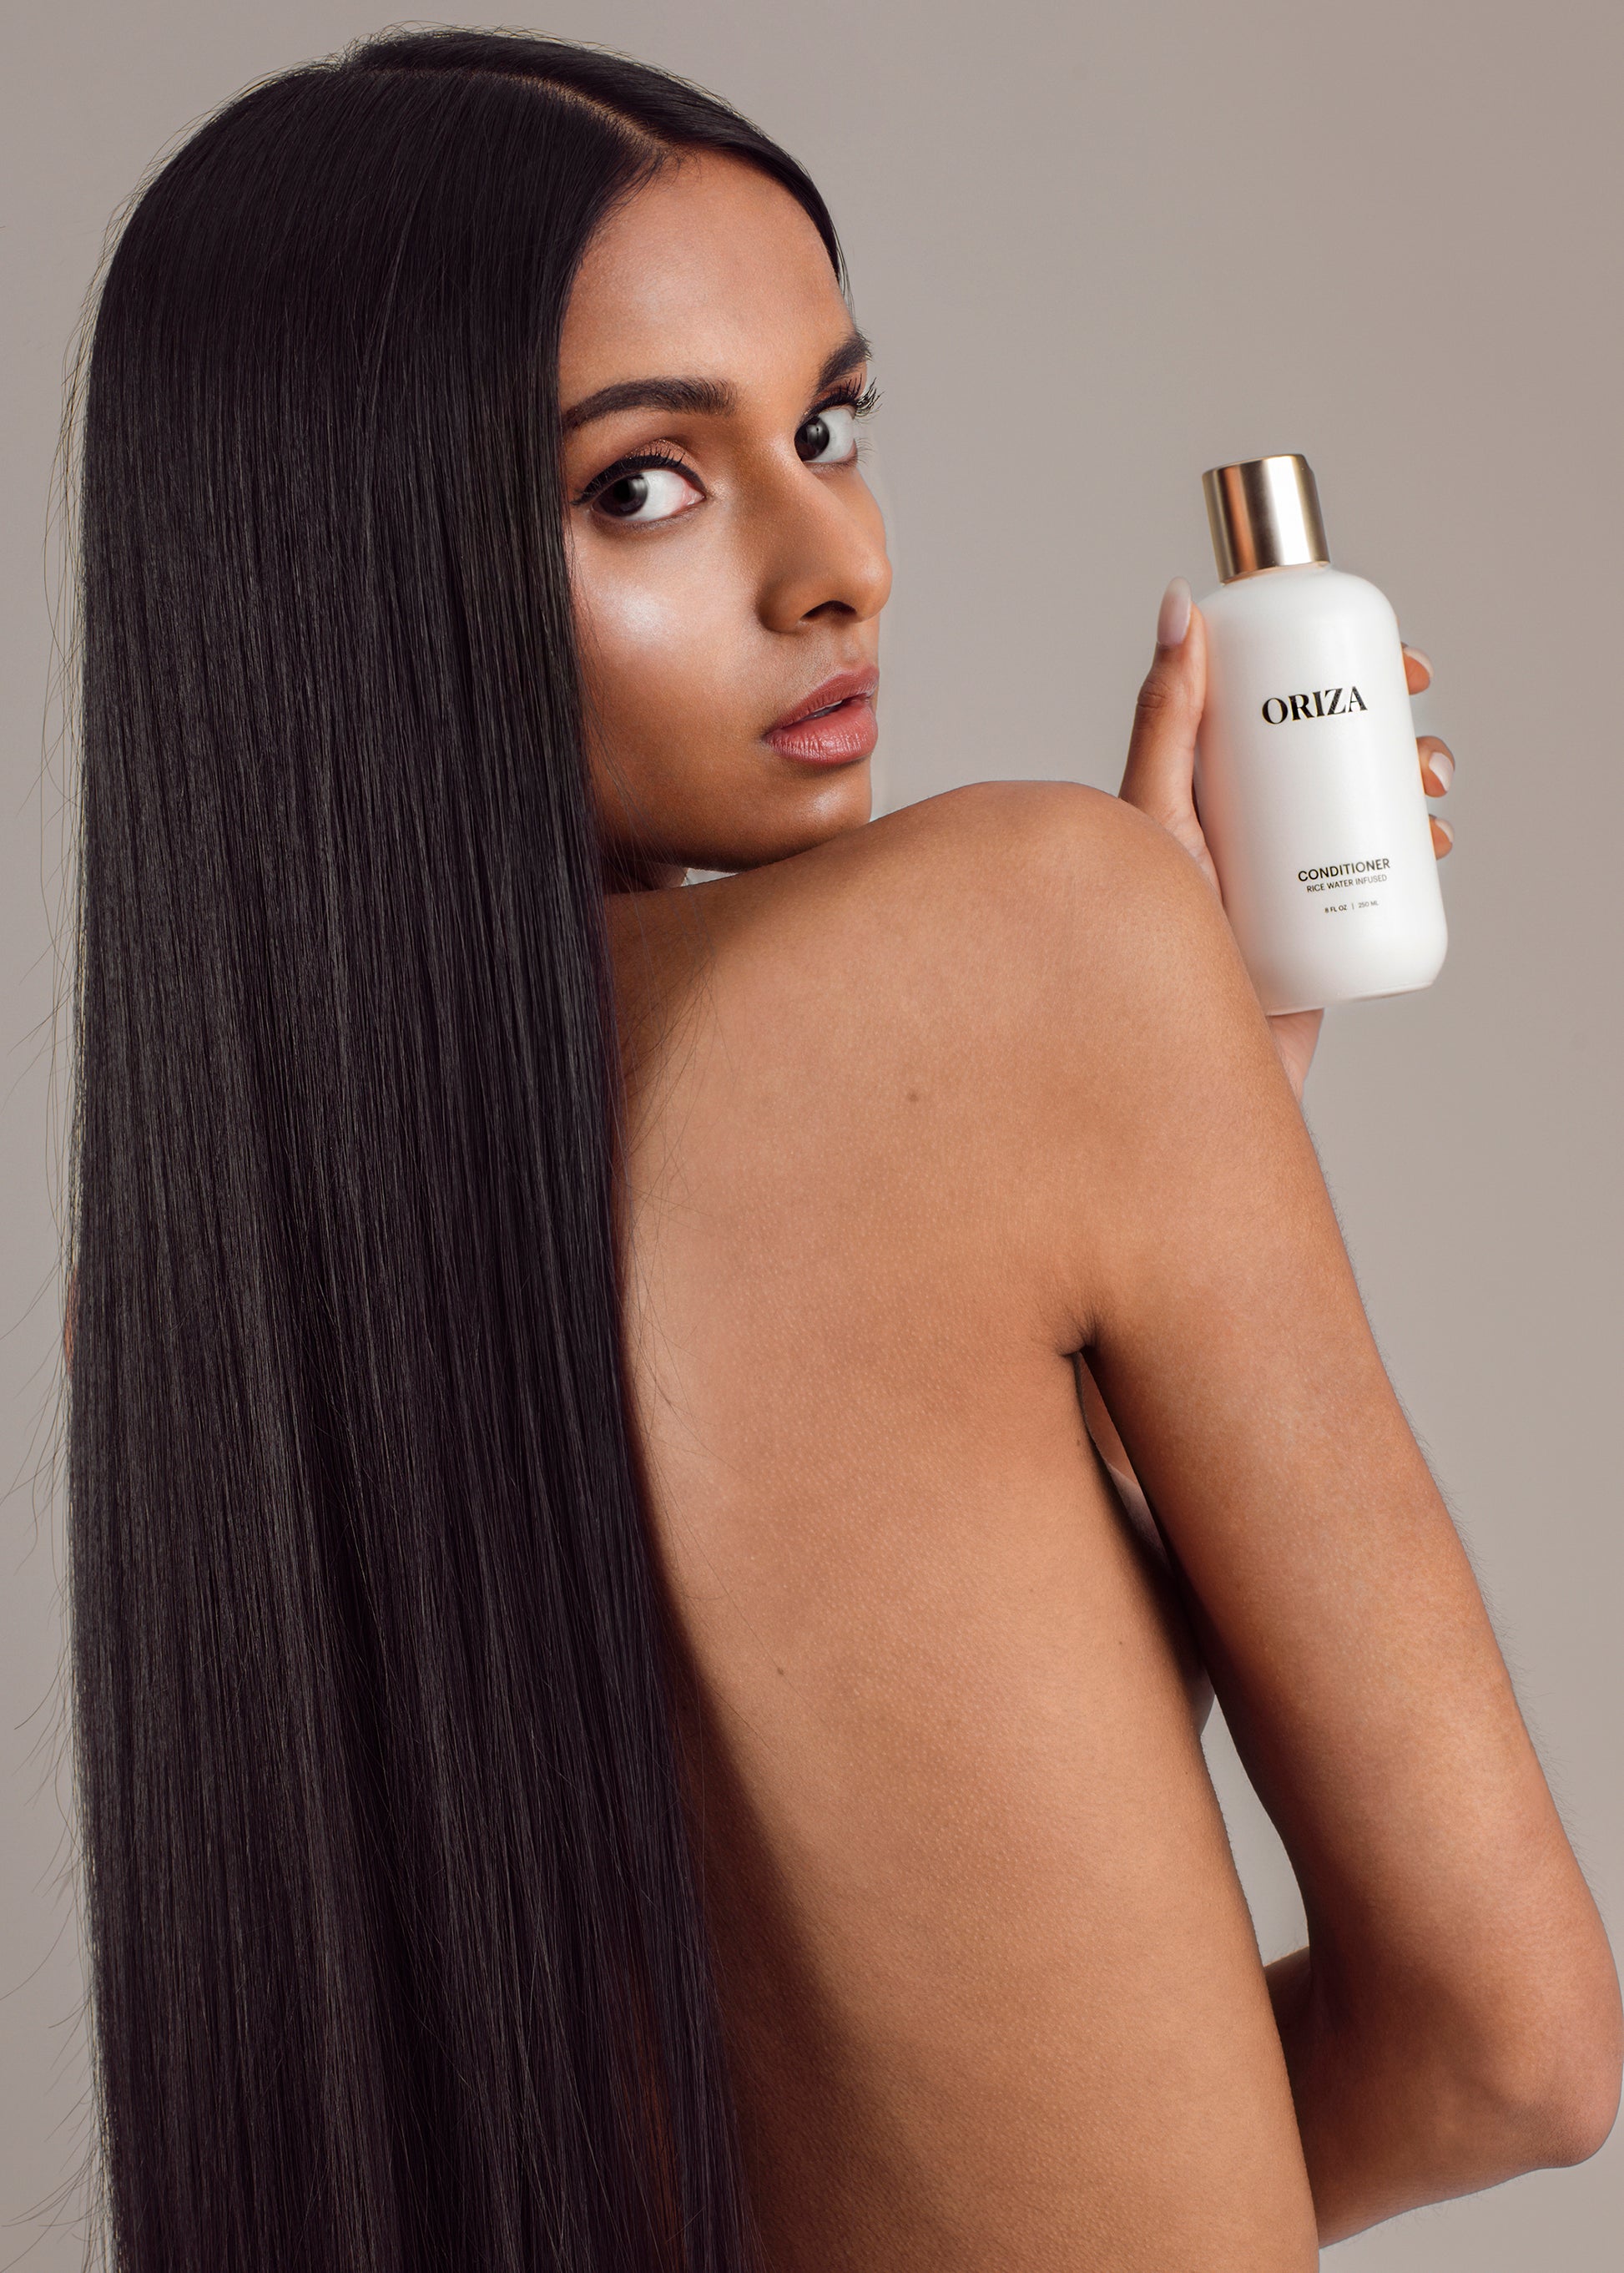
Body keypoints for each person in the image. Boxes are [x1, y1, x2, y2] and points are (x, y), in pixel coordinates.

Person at [60, 26, 1619, 2273]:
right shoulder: (1027, 943)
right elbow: (1510, 2049)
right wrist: (1133, 1049)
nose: (839, 565)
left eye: (822, 428)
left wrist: (1184, 1134)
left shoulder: (203, 1266)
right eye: (640, 486)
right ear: (344, 572)